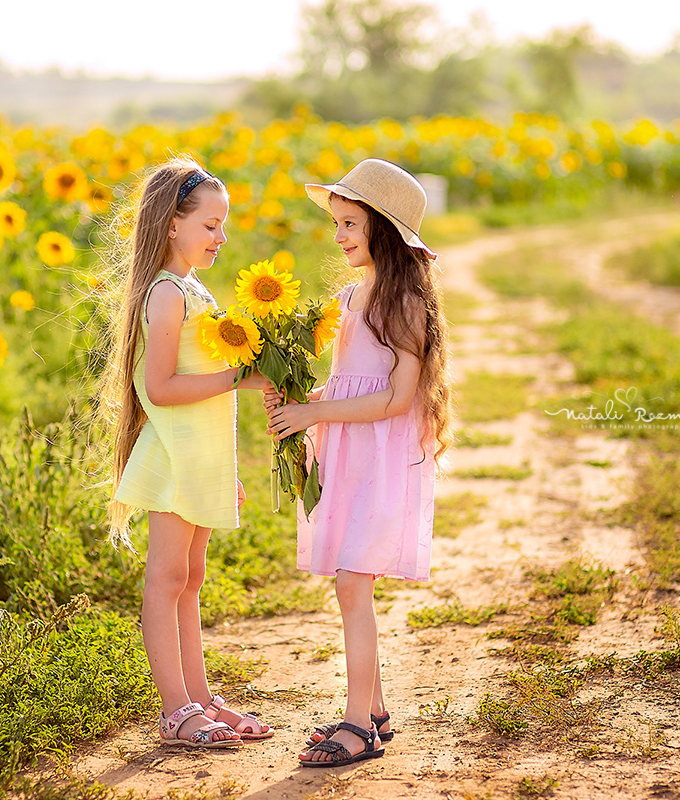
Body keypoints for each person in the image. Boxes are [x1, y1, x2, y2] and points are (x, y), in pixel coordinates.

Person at [263, 158, 452, 767]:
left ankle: (357, 724)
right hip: (349, 449)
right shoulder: (352, 295)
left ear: (385, 232)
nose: (339, 235)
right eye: (338, 223)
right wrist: (306, 400)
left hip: (381, 456)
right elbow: (350, 383)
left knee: (352, 581)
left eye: (350, 224)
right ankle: (371, 711)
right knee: (351, 581)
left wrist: (315, 417)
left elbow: (397, 397)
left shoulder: (402, 303)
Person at [101, 158, 276, 749]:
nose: (221, 237)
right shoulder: (166, 293)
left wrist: (224, 470)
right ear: (172, 224)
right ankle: (174, 708)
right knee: (167, 577)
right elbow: (161, 389)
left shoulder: (193, 287)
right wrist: (241, 377)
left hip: (200, 459)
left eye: (222, 225)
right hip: (174, 455)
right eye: (210, 225)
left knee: (192, 577)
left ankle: (200, 698)